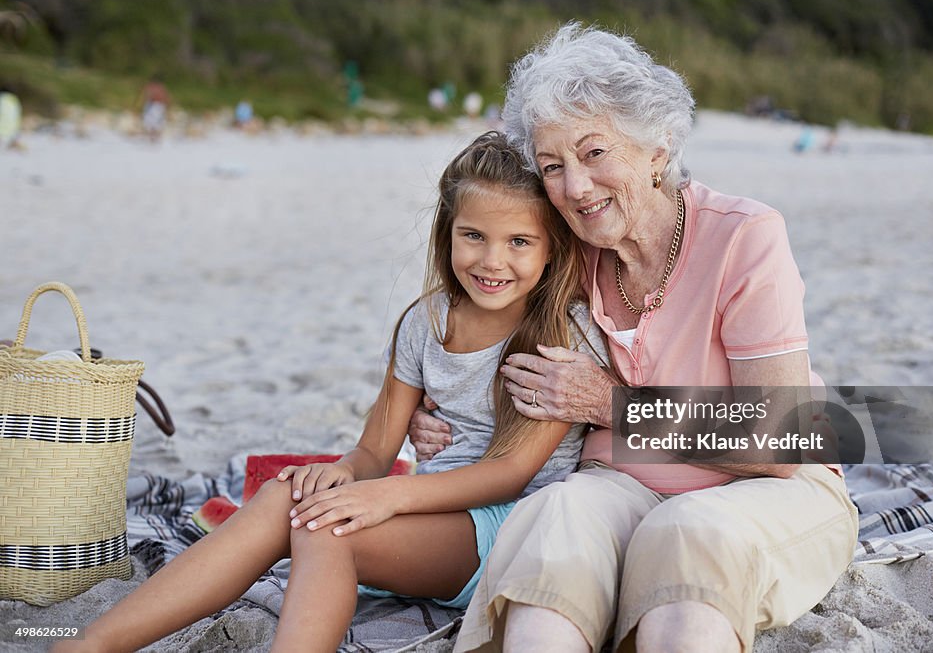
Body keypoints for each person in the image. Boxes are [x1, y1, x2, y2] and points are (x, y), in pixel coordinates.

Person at [54, 131, 607, 653]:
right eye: (474, 236)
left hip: (511, 531)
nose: (493, 260)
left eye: (519, 242)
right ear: (448, 232)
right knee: (285, 497)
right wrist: (343, 474)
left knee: (327, 530)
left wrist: (385, 496)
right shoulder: (426, 322)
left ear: (551, 249)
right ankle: (93, 642)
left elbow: (508, 474)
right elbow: (373, 453)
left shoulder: (559, 334)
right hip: (432, 508)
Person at [408, 24, 858, 653]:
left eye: (595, 154)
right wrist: (435, 415)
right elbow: (489, 345)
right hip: (618, 485)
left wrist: (610, 407)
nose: (575, 187)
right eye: (552, 167)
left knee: (687, 529)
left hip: (765, 491)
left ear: (658, 146)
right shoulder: (571, 248)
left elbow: (781, 438)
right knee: (554, 518)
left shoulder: (744, 237)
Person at [138, 76, 170, 142]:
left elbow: (143, 95)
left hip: (154, 105)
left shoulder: (151, 86)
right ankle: (154, 136)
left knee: (152, 121)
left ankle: (153, 136)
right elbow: (166, 97)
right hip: (157, 105)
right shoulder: (161, 87)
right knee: (155, 121)